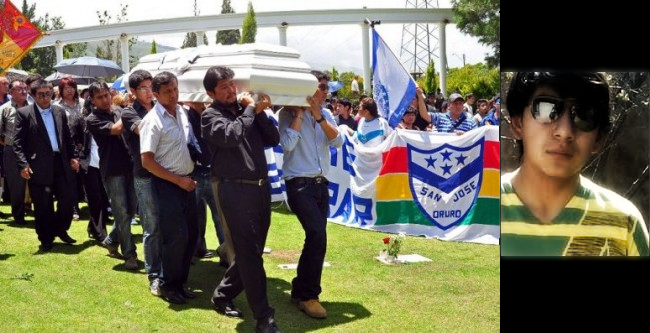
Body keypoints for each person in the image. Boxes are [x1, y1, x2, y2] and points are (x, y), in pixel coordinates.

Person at [500, 72, 649, 256]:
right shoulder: (485, 214)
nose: (565, 131)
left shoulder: (625, 225)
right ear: (517, 123)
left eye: (584, 114)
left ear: (599, 138)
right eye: (546, 109)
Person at [201, 66, 281, 333]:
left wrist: (260, 113)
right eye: (223, 86)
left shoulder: (247, 112)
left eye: (232, 84)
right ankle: (264, 317)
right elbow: (231, 136)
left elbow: (273, 138)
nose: (231, 90)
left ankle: (222, 295)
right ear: (210, 92)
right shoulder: (210, 116)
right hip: (233, 191)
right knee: (249, 253)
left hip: (260, 189)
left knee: (252, 252)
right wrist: (250, 111)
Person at [278, 82, 344, 320]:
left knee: (315, 238)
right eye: (322, 87)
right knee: (317, 235)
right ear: (308, 89)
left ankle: (300, 289)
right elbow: (286, 144)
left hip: (320, 184)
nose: (326, 92)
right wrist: (299, 114)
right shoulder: (286, 113)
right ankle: (309, 296)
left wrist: (318, 117)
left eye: (327, 88)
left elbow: (338, 142)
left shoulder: (325, 114)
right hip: (298, 184)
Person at [140, 71, 199, 304]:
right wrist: (177, 180)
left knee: (191, 234)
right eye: (167, 92)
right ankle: (167, 284)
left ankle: (179, 283)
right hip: (167, 184)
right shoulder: (152, 121)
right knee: (175, 237)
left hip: (187, 181)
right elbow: (147, 161)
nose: (173, 94)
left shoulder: (183, 112)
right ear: (156, 94)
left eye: (175, 89)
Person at [13, 79, 80, 252]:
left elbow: (67, 137)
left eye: (48, 93)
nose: (45, 97)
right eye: (41, 95)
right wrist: (23, 165)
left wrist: (73, 156)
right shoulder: (24, 114)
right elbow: (18, 143)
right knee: (43, 205)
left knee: (68, 199)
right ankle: (46, 237)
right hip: (38, 164)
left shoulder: (59, 111)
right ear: (33, 95)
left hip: (61, 161)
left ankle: (60, 228)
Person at [85, 81, 139, 270]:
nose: (105, 100)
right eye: (99, 97)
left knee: (130, 211)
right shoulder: (92, 119)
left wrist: (126, 109)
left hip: (131, 166)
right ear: (92, 100)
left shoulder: (118, 111)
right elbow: (116, 130)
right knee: (121, 212)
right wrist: (130, 109)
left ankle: (111, 240)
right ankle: (130, 254)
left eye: (106, 95)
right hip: (112, 170)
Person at [121, 69, 163, 295]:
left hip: (165, 172)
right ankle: (154, 274)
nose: (149, 93)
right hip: (145, 175)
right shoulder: (129, 113)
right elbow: (146, 131)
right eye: (144, 88)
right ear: (133, 92)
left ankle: (167, 268)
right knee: (151, 226)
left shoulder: (160, 108)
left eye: (151, 87)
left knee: (166, 222)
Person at [184, 101, 226, 260]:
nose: (203, 104)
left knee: (220, 216)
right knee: (195, 215)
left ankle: (226, 252)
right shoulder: (186, 116)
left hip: (213, 171)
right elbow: (193, 144)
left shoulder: (212, 114)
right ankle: (195, 249)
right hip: (195, 171)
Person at [54, 76, 85, 221]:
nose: (70, 91)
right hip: (67, 146)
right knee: (70, 178)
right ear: (61, 90)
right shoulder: (57, 106)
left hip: (84, 144)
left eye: (72, 87)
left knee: (85, 177)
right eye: (66, 88)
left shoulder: (83, 103)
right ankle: (74, 207)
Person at [0, 80, 28, 225]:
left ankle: (41, 213)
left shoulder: (33, 107)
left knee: (38, 182)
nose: (24, 91)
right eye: (19, 89)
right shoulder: (5, 109)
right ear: (11, 92)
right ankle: (18, 215)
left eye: (25, 88)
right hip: (12, 150)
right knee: (16, 185)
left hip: (32, 150)